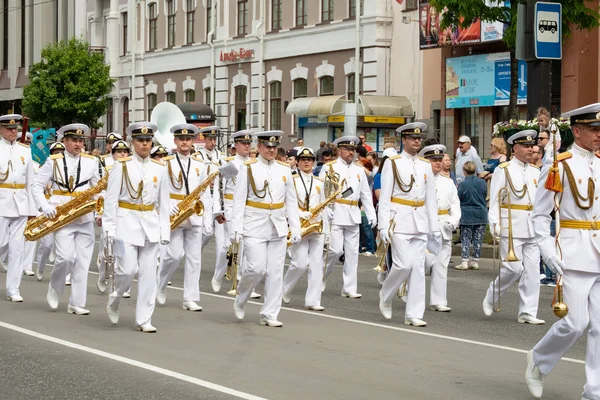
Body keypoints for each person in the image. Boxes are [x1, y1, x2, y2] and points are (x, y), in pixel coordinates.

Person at [525, 103, 600, 400]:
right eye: (594, 130)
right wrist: (546, 249)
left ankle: (594, 392)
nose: (599, 136)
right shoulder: (560, 165)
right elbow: (540, 214)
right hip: (573, 251)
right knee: (575, 323)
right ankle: (538, 360)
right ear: (577, 131)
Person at [103, 122, 170, 333]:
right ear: (133, 142)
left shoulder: (160, 168)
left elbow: (164, 203)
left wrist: (165, 231)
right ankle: (115, 298)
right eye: (140, 140)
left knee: (149, 275)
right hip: (126, 223)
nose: (145, 144)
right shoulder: (121, 166)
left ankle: (144, 319)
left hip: (150, 224)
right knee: (127, 271)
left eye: (148, 141)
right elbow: (111, 200)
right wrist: (109, 230)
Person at [231, 130, 301, 327]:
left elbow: (291, 202)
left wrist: (295, 228)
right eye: (267, 146)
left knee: (275, 271)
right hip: (254, 224)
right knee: (255, 268)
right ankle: (241, 297)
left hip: (277, 225)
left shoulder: (284, 169)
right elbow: (238, 200)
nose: (271, 150)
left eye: (274, 147)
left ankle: (269, 313)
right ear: (259, 147)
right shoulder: (248, 168)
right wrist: (235, 229)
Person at [31, 124, 100, 314]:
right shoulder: (53, 161)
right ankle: (55, 286)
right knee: (65, 258)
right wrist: (45, 207)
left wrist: (100, 211)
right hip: (62, 215)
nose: (79, 144)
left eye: (81, 141)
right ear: (65, 141)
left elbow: (98, 189)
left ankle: (77, 303)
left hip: (84, 216)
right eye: (74, 141)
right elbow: (36, 186)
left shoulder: (91, 162)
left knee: (83, 262)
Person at [377, 122, 440, 326]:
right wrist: (382, 226)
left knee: (418, 269)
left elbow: (431, 199)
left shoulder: (424, 165)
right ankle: (385, 295)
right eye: (412, 138)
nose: (416, 141)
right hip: (399, 220)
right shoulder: (392, 163)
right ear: (403, 140)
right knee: (403, 264)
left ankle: (414, 314)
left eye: (419, 138)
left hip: (420, 221)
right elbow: (385, 197)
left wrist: (434, 227)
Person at [483, 130, 544, 325]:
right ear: (515, 148)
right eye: (526, 146)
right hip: (511, 225)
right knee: (513, 269)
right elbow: (495, 200)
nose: (530, 149)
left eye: (531, 146)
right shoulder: (504, 169)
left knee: (533, 271)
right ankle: (492, 293)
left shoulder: (536, 171)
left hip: (532, 226)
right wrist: (495, 225)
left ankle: (527, 311)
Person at [157, 124, 210, 312]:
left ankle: (190, 298)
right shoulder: (166, 163)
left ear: (192, 141)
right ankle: (161, 285)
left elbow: (205, 192)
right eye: (181, 139)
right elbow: (159, 190)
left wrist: (207, 218)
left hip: (194, 213)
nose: (185, 142)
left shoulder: (200, 164)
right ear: (175, 141)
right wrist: (166, 208)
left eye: (188, 139)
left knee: (194, 258)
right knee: (173, 255)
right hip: (175, 213)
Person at [319, 136, 377, 298]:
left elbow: (365, 193)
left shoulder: (359, 170)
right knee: (334, 251)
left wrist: (371, 214)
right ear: (339, 151)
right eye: (347, 150)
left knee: (352, 253)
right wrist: (325, 208)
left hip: (353, 213)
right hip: (336, 212)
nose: (351, 153)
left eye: (353, 150)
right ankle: (320, 276)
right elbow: (322, 190)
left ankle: (349, 287)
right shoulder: (329, 167)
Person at [282, 147, 329, 311]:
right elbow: (287, 203)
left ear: (313, 162)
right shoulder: (292, 180)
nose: (306, 162)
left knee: (317, 265)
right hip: (300, 226)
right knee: (300, 263)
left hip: (316, 227)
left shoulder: (319, 182)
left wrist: (327, 231)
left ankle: (313, 300)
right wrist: (300, 214)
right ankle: (284, 289)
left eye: (309, 160)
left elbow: (324, 207)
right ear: (298, 162)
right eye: (303, 160)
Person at [210, 130, 254, 293]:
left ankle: (242, 280)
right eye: (243, 143)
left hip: (247, 209)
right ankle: (218, 275)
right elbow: (219, 188)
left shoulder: (254, 164)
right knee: (226, 247)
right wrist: (218, 211)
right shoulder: (229, 163)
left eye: (249, 143)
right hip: (229, 206)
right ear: (236, 145)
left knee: (246, 246)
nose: (247, 146)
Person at [420, 144, 460, 312]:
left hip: (443, 226)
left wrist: (453, 221)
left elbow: (455, 205)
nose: (438, 163)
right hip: (426, 227)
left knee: (441, 265)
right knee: (424, 263)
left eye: (439, 159)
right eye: (433, 160)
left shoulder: (448, 182)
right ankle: (409, 289)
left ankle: (438, 300)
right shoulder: (421, 179)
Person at [0, 114, 36, 302]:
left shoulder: (25, 150)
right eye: (8, 128)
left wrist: (32, 210)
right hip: (1, 202)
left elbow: (30, 181)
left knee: (17, 249)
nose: (13, 131)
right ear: (1, 129)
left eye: (15, 128)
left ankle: (13, 289)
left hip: (20, 203)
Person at [95, 140, 132, 295]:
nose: (123, 154)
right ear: (113, 154)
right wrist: (99, 212)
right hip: (109, 210)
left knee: (124, 248)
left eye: (125, 152)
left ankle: (123, 284)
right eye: (119, 152)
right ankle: (103, 274)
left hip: (126, 211)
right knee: (107, 246)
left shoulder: (132, 169)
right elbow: (100, 191)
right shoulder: (107, 167)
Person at [34, 142, 65, 281]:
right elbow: (37, 187)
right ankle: (40, 267)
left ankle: (65, 275)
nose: (59, 154)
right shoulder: (46, 167)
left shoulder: (68, 170)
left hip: (63, 209)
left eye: (61, 152)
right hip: (47, 208)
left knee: (65, 245)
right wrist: (44, 207)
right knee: (46, 244)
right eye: (56, 152)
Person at [456, 161, 487, 270]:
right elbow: (485, 194)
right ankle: (475, 261)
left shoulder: (463, 184)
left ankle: (464, 261)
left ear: (464, 171)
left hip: (467, 212)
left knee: (466, 238)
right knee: (478, 239)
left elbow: (458, 198)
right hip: (481, 213)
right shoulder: (482, 182)